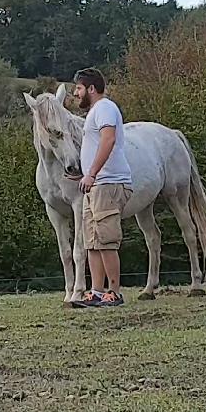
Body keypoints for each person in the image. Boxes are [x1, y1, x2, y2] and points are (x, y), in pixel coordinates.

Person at [69, 68, 133, 307]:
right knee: (92, 240)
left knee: (106, 239)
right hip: (95, 185)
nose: (76, 93)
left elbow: (109, 139)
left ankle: (113, 292)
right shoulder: (96, 111)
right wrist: (85, 175)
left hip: (108, 184)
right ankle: (96, 292)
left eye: (78, 88)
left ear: (91, 89)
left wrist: (93, 173)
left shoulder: (105, 108)